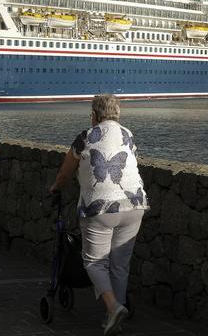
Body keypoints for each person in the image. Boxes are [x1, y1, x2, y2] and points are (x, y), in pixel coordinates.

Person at [49, 94, 148, 336]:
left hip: (100, 207)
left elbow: (65, 173)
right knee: (120, 265)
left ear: (94, 115)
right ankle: (114, 319)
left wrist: (55, 187)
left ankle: (113, 308)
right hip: (135, 205)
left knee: (94, 262)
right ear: (118, 113)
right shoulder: (128, 134)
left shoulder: (85, 137)